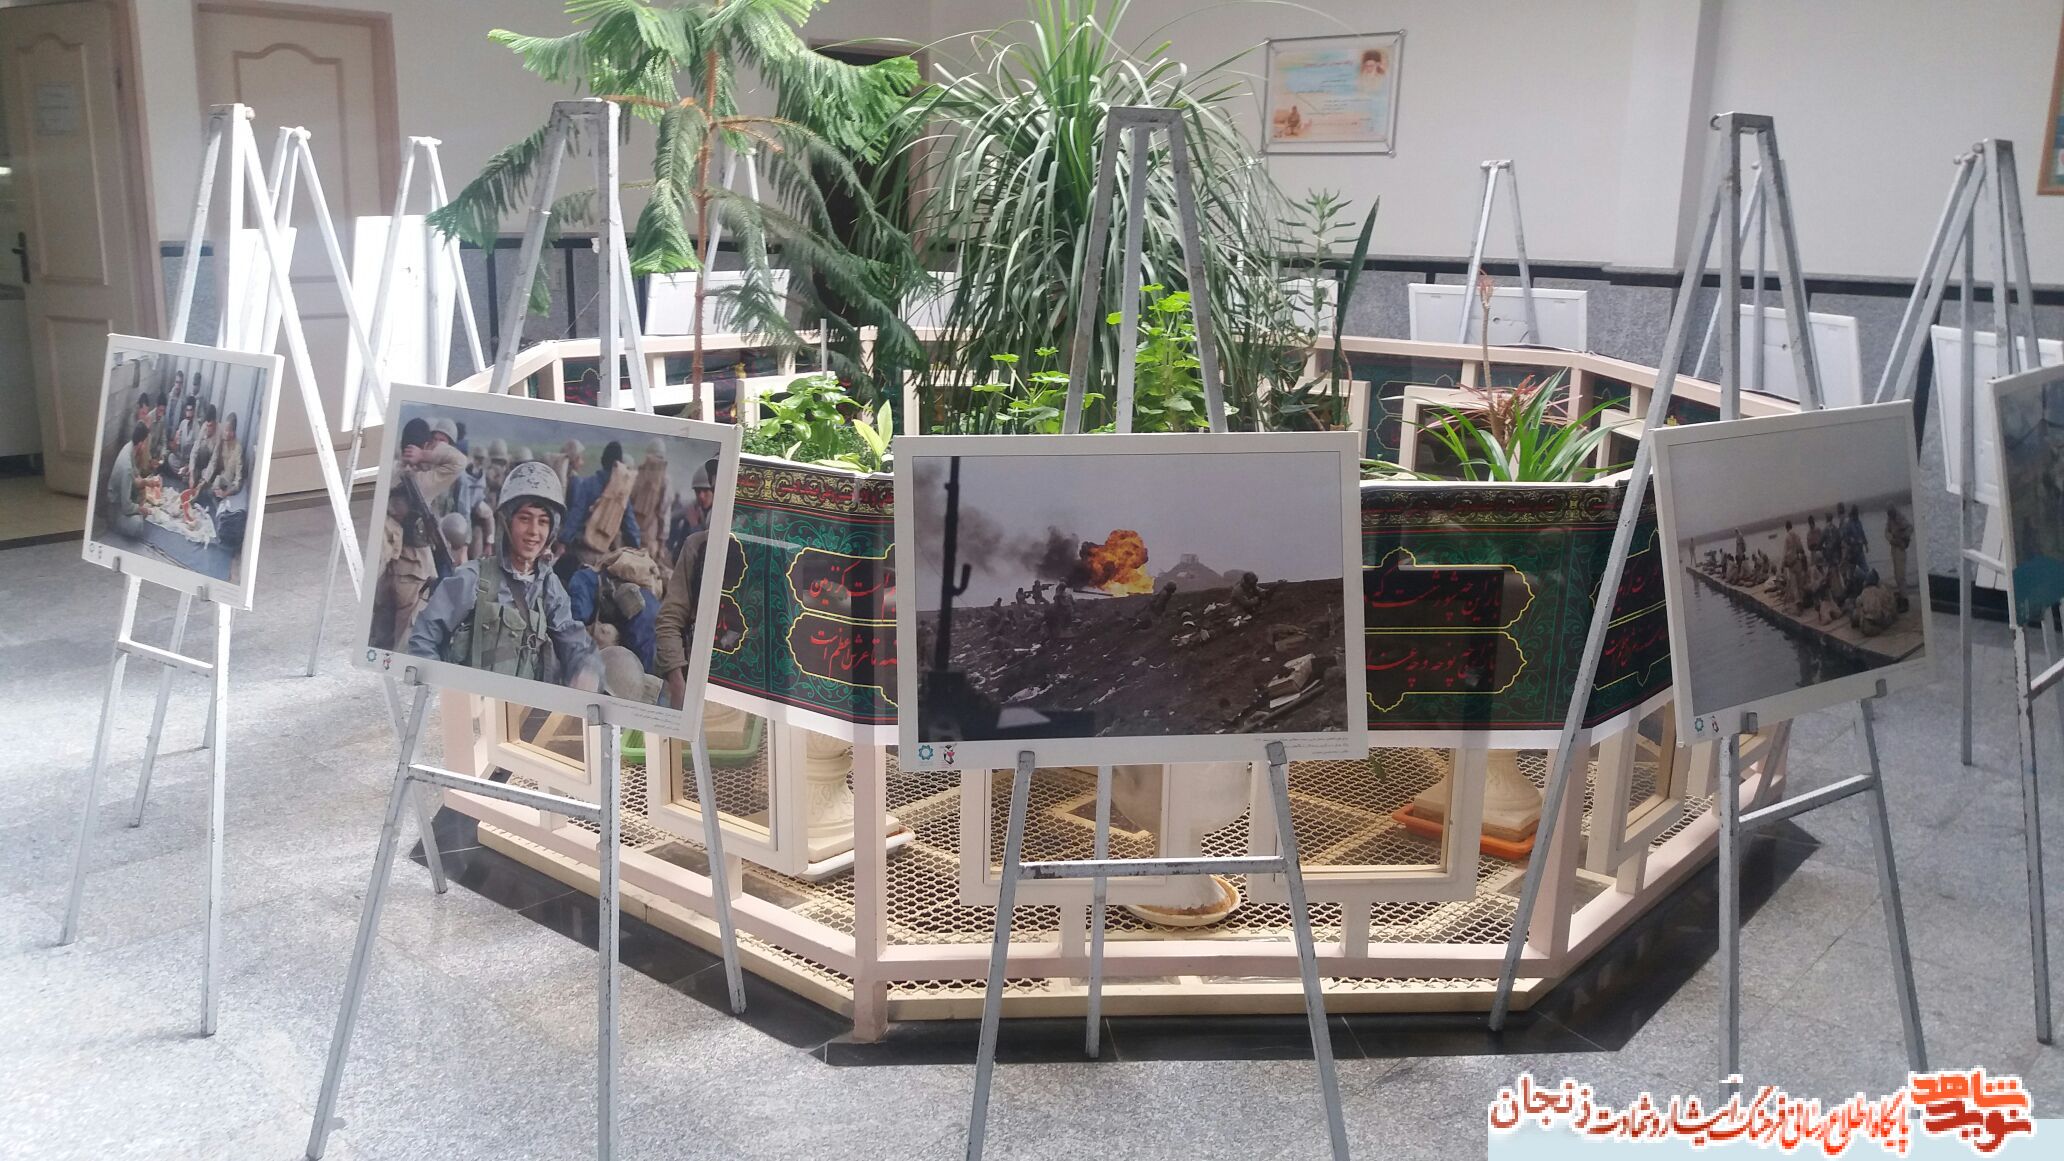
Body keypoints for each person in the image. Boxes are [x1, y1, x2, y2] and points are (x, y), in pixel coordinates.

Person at [407, 460, 600, 686]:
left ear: (552, 531)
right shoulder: (473, 578)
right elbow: (424, 639)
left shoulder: (550, 587)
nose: (534, 531)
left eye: (543, 521)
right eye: (524, 518)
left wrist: (586, 671)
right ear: (507, 522)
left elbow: (574, 642)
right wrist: (442, 688)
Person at [371, 417, 472, 651]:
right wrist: (425, 456)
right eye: (434, 442)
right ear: (426, 444)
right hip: (413, 566)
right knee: (404, 636)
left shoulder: (390, 473)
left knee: (380, 631)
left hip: (387, 561)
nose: (438, 445)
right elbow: (459, 461)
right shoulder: (422, 480)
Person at [655, 524, 747, 709]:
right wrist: (678, 683)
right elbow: (670, 619)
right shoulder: (698, 545)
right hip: (696, 676)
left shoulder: (770, 550)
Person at [559, 439, 640, 580]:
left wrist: (564, 540)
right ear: (619, 464)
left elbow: (576, 515)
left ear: (603, 460)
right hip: (605, 554)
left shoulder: (588, 484)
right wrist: (637, 549)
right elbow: (630, 526)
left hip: (582, 550)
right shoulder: (621, 491)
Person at [103, 421, 153, 539]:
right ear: (140, 444)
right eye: (145, 444)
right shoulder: (127, 468)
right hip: (116, 507)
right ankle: (114, 523)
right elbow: (126, 507)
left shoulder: (129, 447)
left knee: (141, 491)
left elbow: (136, 474)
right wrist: (141, 510)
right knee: (137, 525)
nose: (145, 447)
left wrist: (146, 482)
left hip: (123, 499)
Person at [1884, 504, 1913, 601]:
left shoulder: (1900, 518)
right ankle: (1902, 595)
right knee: (1896, 575)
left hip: (1900, 548)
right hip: (1894, 548)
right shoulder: (1890, 520)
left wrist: (1903, 537)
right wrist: (1892, 539)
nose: (1889, 515)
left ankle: (1905, 598)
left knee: (1901, 576)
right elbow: (1886, 532)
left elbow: (1910, 528)